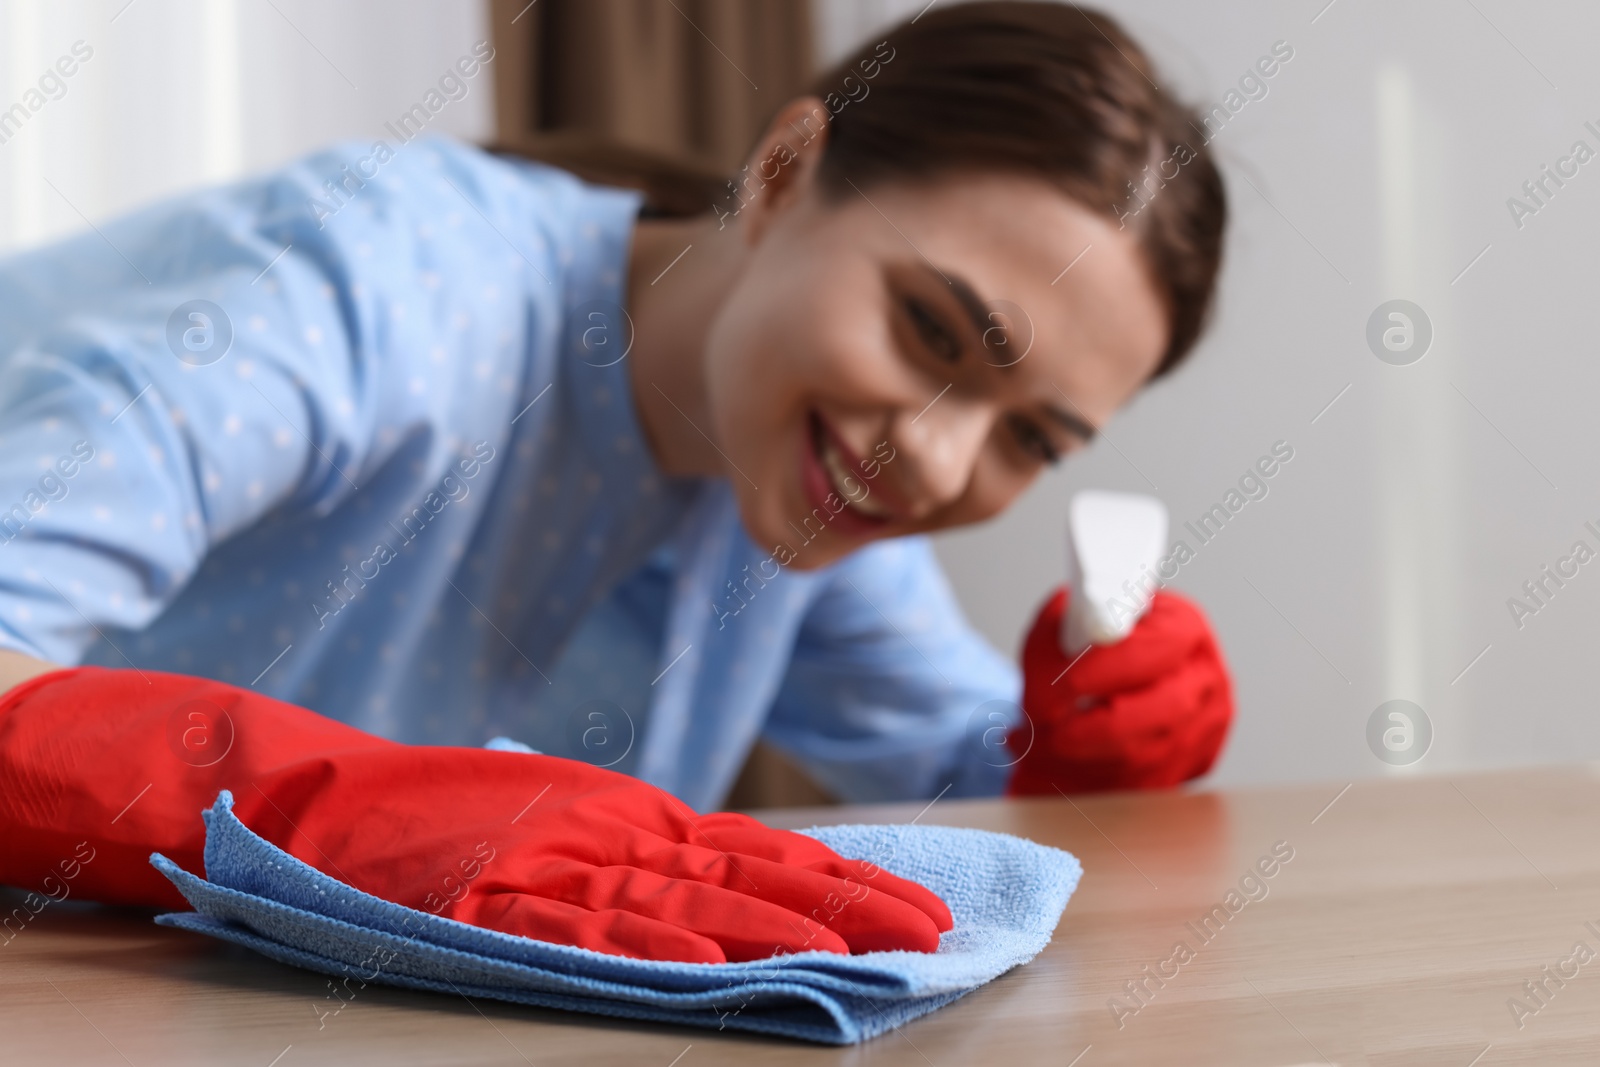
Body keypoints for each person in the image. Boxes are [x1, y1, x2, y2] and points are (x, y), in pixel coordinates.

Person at [0, 1, 1230, 963]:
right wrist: (301, 804)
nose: (941, 457)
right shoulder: (371, 288)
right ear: (787, 170)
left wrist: (1085, 749)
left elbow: (959, 777)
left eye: (1033, 440)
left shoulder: (802, 486)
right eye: (932, 333)